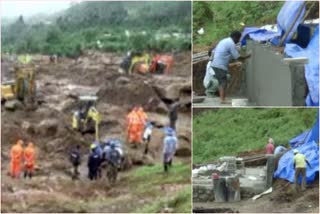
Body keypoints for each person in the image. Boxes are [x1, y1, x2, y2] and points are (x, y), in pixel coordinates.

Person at [210, 31, 251, 104]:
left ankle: (222, 99)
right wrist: (247, 56)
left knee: (222, 81)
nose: (238, 41)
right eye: (239, 39)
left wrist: (236, 63)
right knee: (223, 82)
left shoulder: (225, 40)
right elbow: (237, 57)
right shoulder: (231, 43)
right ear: (236, 37)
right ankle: (222, 100)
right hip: (219, 65)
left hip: (216, 64)